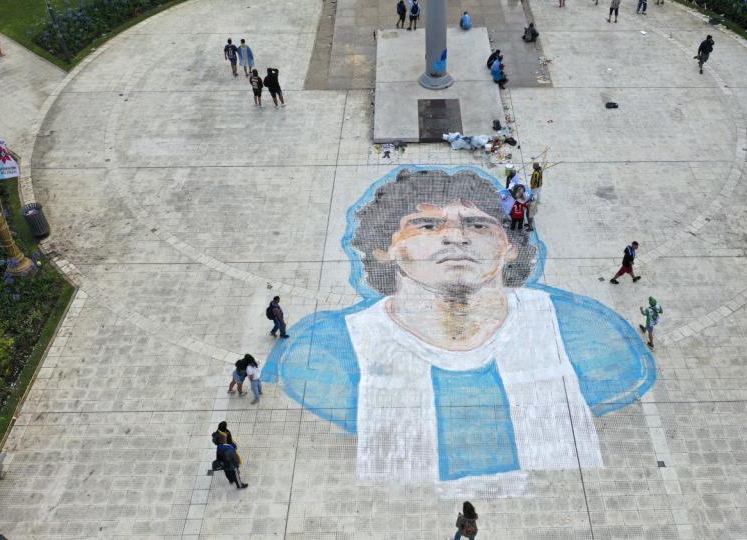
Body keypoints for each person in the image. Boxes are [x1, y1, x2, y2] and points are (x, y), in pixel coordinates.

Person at [264, 168, 656, 485]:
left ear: (511, 246)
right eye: (426, 225)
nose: (456, 236)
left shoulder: (583, 328)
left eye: (479, 226)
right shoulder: (323, 352)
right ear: (385, 248)